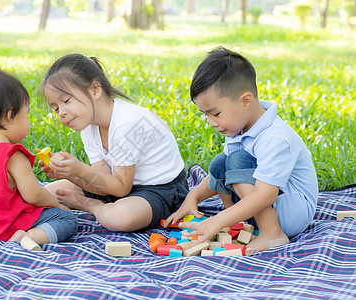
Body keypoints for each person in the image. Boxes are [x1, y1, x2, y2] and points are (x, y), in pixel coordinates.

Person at [164, 47, 318, 252]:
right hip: (260, 205)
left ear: (246, 101)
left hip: (290, 213)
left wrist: (217, 221)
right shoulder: (238, 127)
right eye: (206, 115)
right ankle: (239, 224)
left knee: (237, 160)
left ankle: (272, 233)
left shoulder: (275, 138)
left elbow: (266, 195)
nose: (211, 122)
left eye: (216, 113)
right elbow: (221, 171)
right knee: (221, 162)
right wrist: (193, 197)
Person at [38, 53, 189, 232]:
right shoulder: (88, 126)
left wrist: (79, 170)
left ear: (95, 89)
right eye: (55, 108)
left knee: (119, 218)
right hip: (119, 187)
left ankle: (93, 207)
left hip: (161, 190)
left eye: (66, 101)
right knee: (48, 193)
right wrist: (69, 174)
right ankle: (99, 205)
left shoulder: (126, 124)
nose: (61, 112)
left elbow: (121, 188)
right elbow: (103, 185)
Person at [0, 68, 78, 250]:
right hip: (8, 225)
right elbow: (34, 195)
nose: (29, 121)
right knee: (67, 220)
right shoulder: (12, 155)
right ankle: (26, 237)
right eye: (26, 114)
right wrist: (56, 204)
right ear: (10, 115)